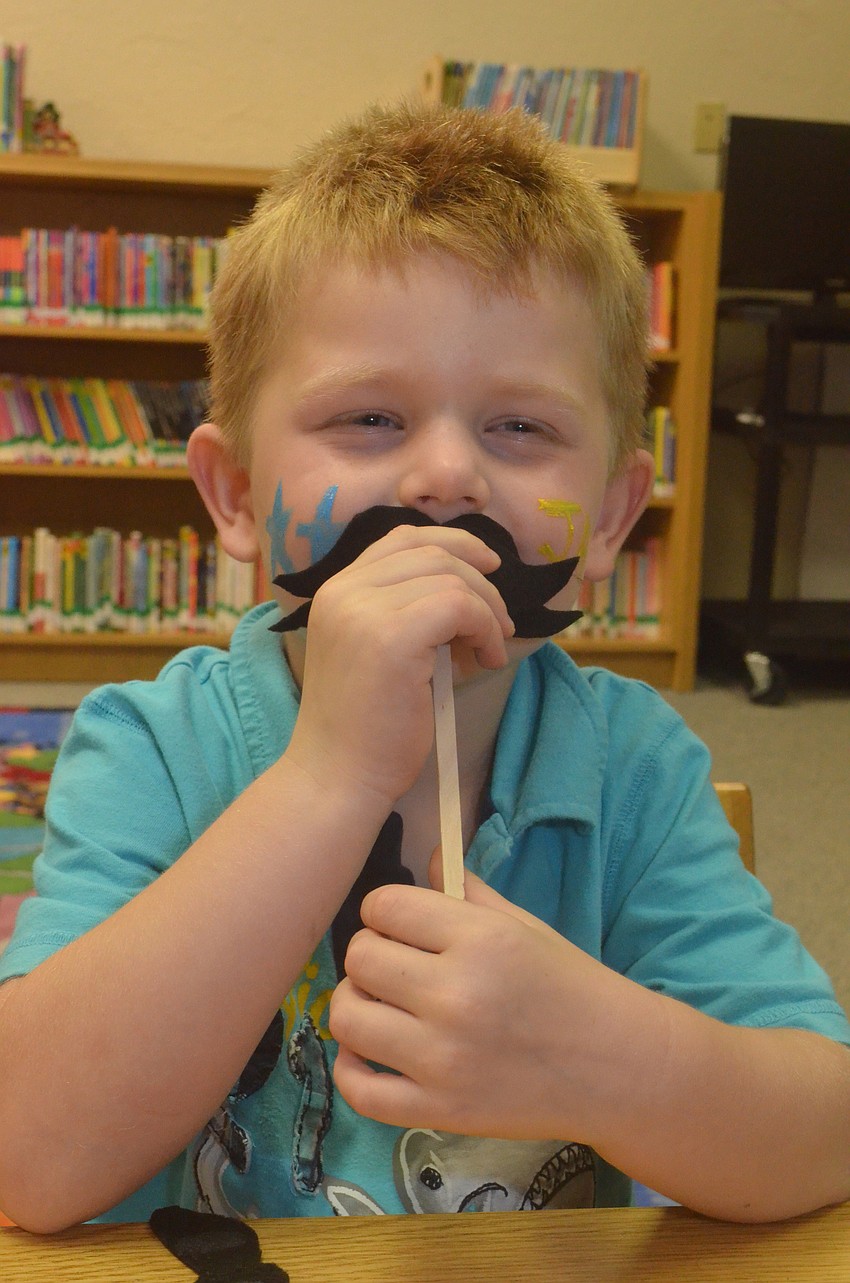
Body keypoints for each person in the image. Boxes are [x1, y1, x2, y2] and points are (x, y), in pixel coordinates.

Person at [0, 102, 848, 1234]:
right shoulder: (153, 749)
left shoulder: (633, 767)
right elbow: (26, 1154)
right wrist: (328, 778)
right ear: (235, 493)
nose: (447, 474)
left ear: (608, 517)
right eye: (368, 417)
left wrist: (602, 1057)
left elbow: (823, 1131)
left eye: (520, 429)